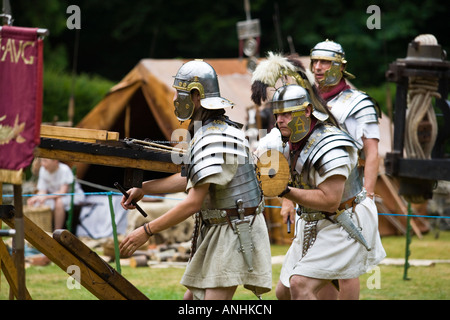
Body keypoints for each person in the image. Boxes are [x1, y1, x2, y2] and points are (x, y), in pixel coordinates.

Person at [119, 59, 272, 300]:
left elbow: (193, 202)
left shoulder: (215, 137)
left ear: (195, 95)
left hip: (235, 229)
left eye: (179, 93)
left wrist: (147, 231)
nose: (174, 99)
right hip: (223, 226)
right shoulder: (211, 131)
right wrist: (144, 188)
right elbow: (193, 181)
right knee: (191, 300)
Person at [252, 53, 385, 300]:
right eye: (277, 114)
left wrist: (284, 191)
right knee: (285, 291)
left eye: (288, 114)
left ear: (307, 111)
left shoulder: (331, 144)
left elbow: (330, 200)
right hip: (311, 221)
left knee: (301, 284)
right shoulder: (283, 136)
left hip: (344, 220)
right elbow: (256, 154)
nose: (280, 120)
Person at [309, 39, 382, 299]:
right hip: (311, 198)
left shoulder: (358, 103)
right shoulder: (306, 100)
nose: (318, 67)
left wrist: (368, 197)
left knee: (346, 269)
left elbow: (372, 153)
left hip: (348, 199)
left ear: (340, 66)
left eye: (325, 62)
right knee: (314, 267)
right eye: (315, 61)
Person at [27, 158, 85, 230]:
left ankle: (57, 230)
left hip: (73, 196)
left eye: (45, 161)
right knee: (38, 202)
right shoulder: (43, 170)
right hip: (54, 196)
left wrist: (45, 197)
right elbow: (42, 191)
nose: (42, 163)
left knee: (59, 202)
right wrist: (35, 198)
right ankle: (42, 229)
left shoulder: (64, 169)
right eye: (42, 161)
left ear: (55, 161)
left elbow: (63, 192)